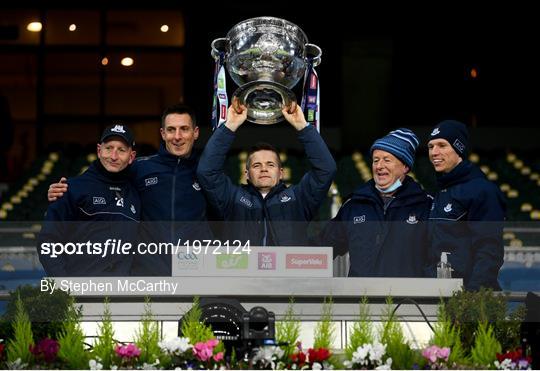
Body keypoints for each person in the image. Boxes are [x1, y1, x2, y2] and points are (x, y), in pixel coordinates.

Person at [47, 103, 212, 275]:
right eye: (171, 130)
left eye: (184, 129)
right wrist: (64, 190)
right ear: (163, 133)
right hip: (147, 276)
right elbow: (103, 175)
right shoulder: (140, 168)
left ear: (196, 132)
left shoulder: (207, 173)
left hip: (193, 271)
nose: (177, 136)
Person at [196, 99, 336, 246]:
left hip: (288, 269)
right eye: (257, 165)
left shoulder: (298, 199)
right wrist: (229, 126)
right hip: (240, 268)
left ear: (281, 172)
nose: (264, 169)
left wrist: (303, 127)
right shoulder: (232, 198)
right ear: (247, 174)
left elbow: (326, 170)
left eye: (270, 164)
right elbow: (207, 172)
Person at [321, 128, 432, 277]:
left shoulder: (426, 206)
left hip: (408, 299)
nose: (379, 166)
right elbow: (323, 248)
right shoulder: (354, 205)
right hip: (362, 298)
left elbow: (438, 258)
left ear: (405, 166)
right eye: (375, 160)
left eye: (387, 160)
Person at [38, 124, 140, 276]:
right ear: (99, 151)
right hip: (80, 294)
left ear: (131, 157)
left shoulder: (136, 195)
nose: (113, 156)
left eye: (121, 150)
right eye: (108, 148)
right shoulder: (70, 189)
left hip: (120, 294)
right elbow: (48, 242)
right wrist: (65, 286)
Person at [426, 119, 506, 290]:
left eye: (441, 145)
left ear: (459, 148)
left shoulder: (482, 190)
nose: (434, 152)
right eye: (431, 147)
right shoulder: (440, 191)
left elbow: (489, 249)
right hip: (438, 292)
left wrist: (472, 295)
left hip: (466, 297)